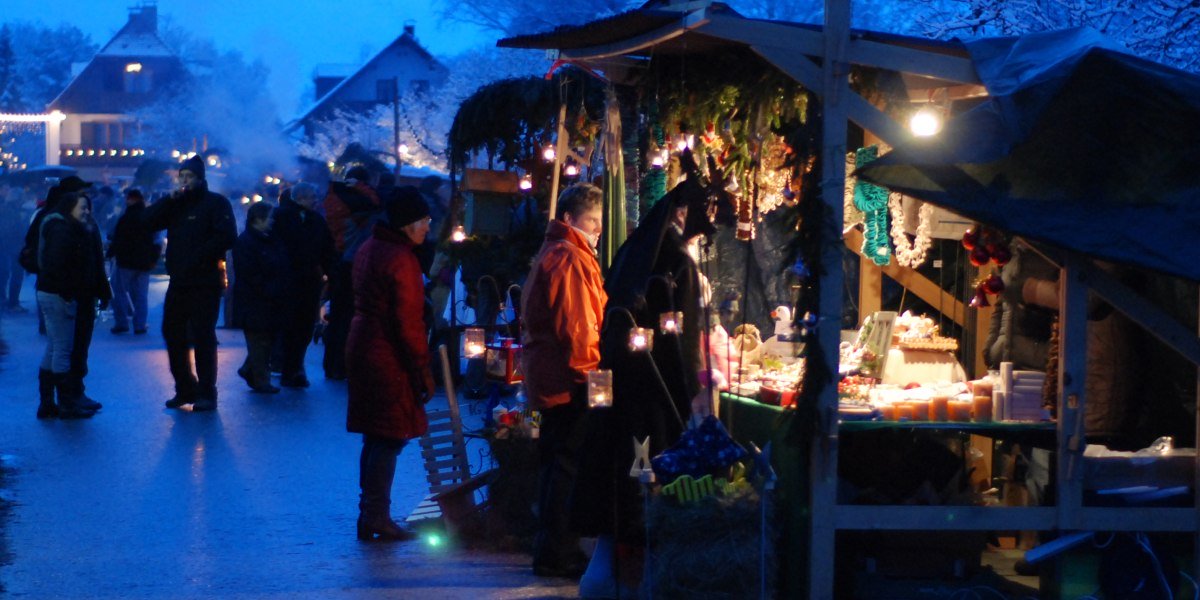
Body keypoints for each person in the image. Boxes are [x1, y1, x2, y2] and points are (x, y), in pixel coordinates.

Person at [520, 183, 607, 578]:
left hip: (552, 375)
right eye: (591, 221)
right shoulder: (569, 257)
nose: (598, 230)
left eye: (600, 223)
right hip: (567, 379)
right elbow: (578, 326)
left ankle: (552, 548)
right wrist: (592, 378)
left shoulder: (559, 251)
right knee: (565, 465)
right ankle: (558, 553)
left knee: (556, 463)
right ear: (570, 219)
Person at [346, 186, 434, 542]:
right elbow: (408, 323)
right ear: (408, 224)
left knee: (376, 435)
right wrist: (422, 373)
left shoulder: (371, 247)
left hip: (366, 344)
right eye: (425, 221)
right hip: (386, 354)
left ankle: (370, 513)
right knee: (388, 436)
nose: (428, 227)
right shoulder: (401, 259)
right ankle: (376, 516)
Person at [144, 155, 237, 412]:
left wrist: (198, 257)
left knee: (203, 335)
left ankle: (207, 392)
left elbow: (227, 236)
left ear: (200, 179)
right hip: (179, 281)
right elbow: (146, 222)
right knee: (171, 332)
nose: (184, 181)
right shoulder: (177, 205)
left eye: (189, 177)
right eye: (181, 176)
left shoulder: (216, 204)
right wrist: (167, 200)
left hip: (204, 281)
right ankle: (185, 387)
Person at [35, 184, 111, 419]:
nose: (87, 211)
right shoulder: (63, 229)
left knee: (55, 346)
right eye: (82, 207)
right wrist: (68, 293)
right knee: (63, 349)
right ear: (70, 207)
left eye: (88, 207)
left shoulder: (66, 225)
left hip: (54, 293)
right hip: (59, 295)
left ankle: (49, 403)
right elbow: (58, 265)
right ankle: (66, 404)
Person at [271, 182, 335, 388]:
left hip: (306, 279)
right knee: (293, 326)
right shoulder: (283, 218)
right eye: (310, 197)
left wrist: (330, 271)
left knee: (303, 326)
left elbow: (326, 250)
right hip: (291, 279)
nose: (315, 201)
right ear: (300, 198)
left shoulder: (314, 220)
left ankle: (293, 367)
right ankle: (291, 368)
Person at [323, 166, 383, 380]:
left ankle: (332, 365)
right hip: (352, 260)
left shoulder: (332, 197)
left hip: (337, 260)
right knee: (350, 317)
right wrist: (362, 188)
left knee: (337, 316)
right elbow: (375, 202)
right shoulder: (357, 202)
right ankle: (343, 365)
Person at [232, 202, 287, 394]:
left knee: (267, 339)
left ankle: (251, 370)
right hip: (254, 300)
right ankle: (261, 380)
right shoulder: (246, 242)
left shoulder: (270, 239)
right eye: (269, 217)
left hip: (269, 299)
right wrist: (269, 287)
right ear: (258, 219)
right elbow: (248, 272)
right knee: (259, 340)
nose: (272, 221)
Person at [107, 188, 160, 334]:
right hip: (145, 263)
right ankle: (140, 325)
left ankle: (122, 322)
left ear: (131, 199)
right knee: (142, 295)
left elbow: (117, 238)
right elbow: (157, 240)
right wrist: (154, 259)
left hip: (126, 261)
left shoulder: (125, 218)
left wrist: (110, 254)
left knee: (120, 292)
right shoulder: (150, 217)